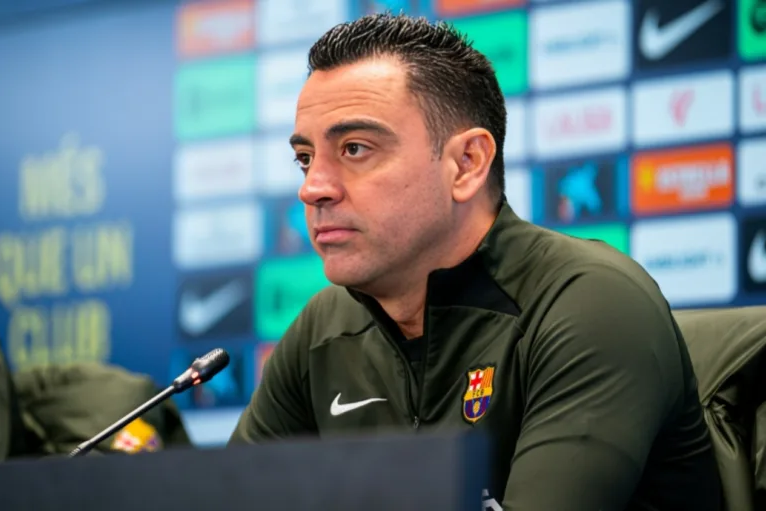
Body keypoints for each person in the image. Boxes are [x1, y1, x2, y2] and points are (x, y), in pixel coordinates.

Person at [229, 13, 721, 510]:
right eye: (305, 158)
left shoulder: (591, 303)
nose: (313, 187)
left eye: (355, 148)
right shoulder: (323, 329)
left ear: (466, 164)